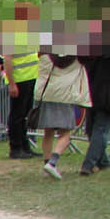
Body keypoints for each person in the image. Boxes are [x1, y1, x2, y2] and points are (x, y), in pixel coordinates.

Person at [31, 49, 90, 180]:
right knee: (66, 133)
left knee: (48, 132)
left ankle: (46, 163)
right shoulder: (76, 56)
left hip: (45, 94)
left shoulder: (44, 53)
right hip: (64, 95)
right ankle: (53, 162)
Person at [80, 34, 110, 175]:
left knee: (92, 128)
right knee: (100, 129)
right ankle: (88, 165)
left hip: (90, 91)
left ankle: (103, 161)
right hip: (107, 93)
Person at [1, 7, 42, 159]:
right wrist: (12, 83)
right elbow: (8, 59)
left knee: (25, 115)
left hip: (30, 78)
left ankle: (25, 146)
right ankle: (16, 147)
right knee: (17, 115)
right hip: (19, 80)